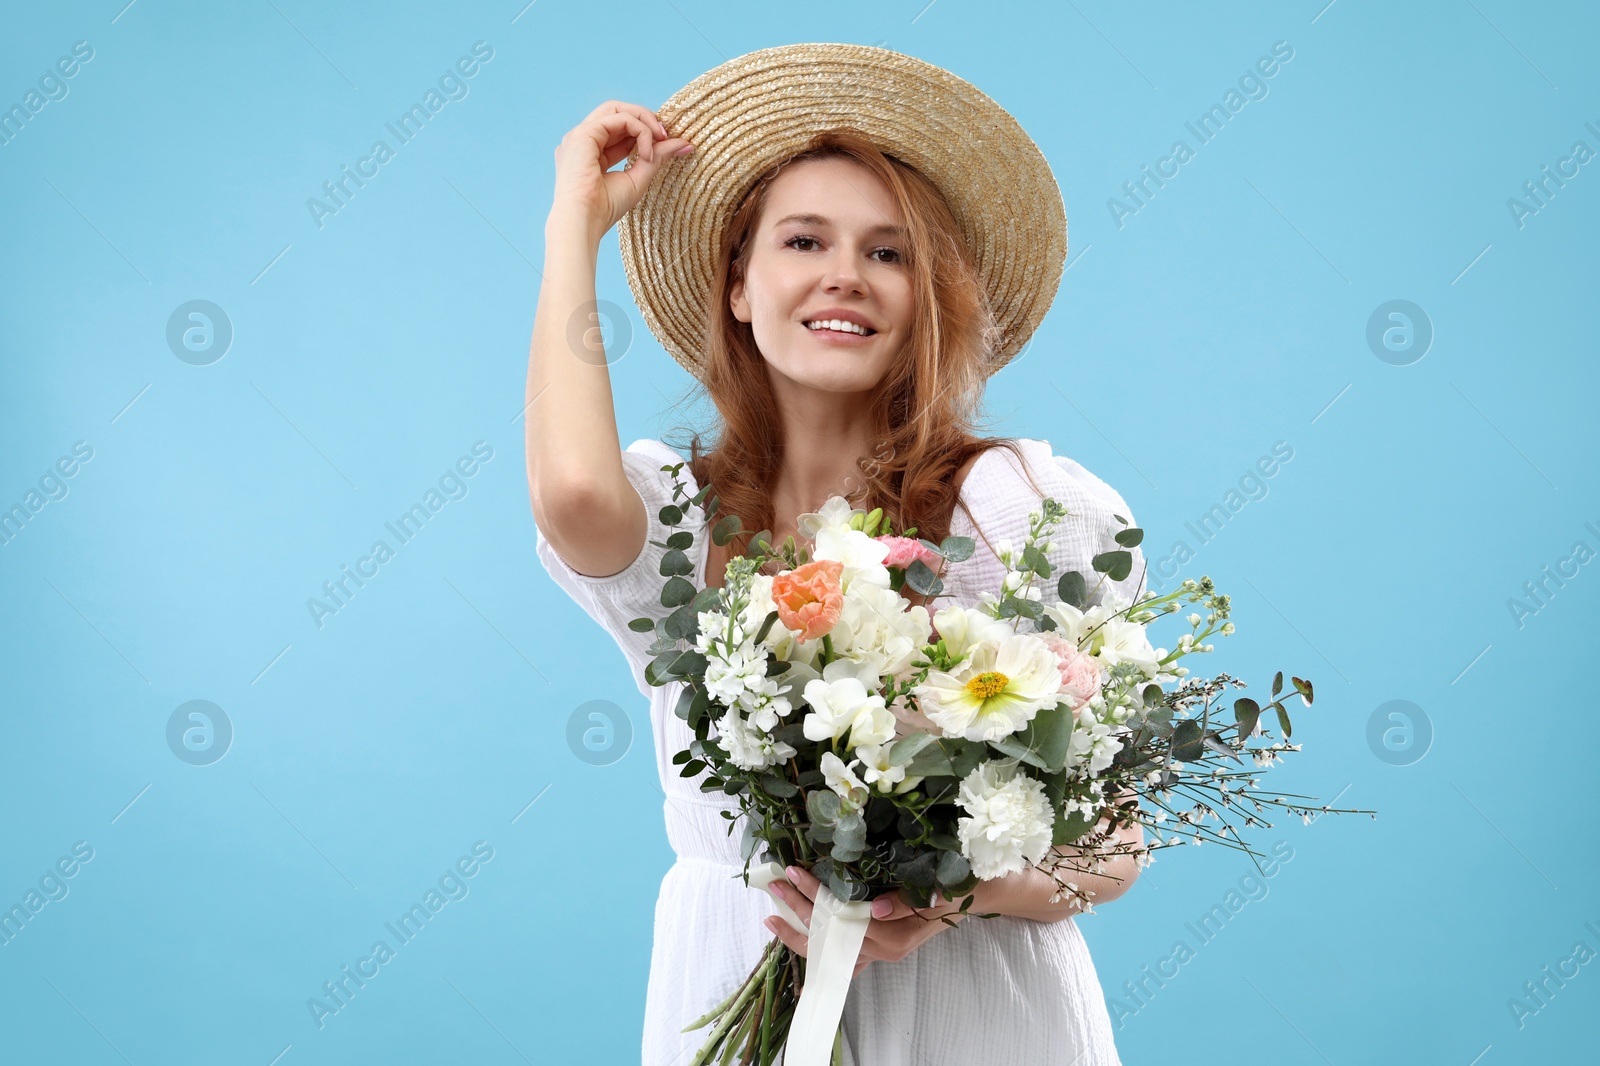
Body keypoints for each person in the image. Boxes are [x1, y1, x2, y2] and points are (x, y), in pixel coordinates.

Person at [527, 43, 1148, 1066]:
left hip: (975, 1009)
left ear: (923, 299)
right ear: (737, 286)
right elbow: (572, 495)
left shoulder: (1015, 510)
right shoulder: (678, 523)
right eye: (803, 241)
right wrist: (573, 221)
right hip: (730, 976)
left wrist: (949, 895)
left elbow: (1115, 845)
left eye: (888, 253)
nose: (843, 277)